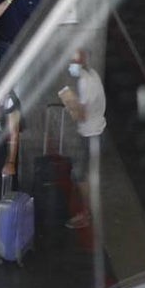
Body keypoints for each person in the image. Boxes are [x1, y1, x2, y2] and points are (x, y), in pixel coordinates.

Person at [60, 49, 106, 229]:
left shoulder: (85, 82)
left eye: (73, 62)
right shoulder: (92, 74)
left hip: (90, 134)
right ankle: (87, 212)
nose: (71, 65)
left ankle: (86, 214)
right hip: (96, 130)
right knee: (84, 174)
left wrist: (70, 105)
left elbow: (82, 114)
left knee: (80, 175)